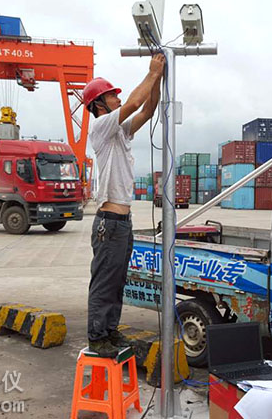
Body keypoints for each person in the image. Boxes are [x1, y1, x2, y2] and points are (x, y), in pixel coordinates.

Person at [83, 53, 165, 357]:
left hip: (122, 223)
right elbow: (132, 104)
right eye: (111, 96)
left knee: (117, 281)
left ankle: (110, 331)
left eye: (116, 96)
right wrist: (150, 73)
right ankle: (97, 336)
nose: (117, 99)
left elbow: (147, 110)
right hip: (109, 221)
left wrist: (158, 80)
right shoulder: (102, 126)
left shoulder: (121, 133)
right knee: (104, 281)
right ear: (99, 105)